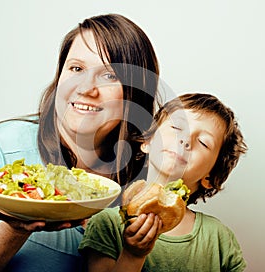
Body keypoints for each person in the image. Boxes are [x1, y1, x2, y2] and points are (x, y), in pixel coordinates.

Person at [0, 14, 161, 271]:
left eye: (109, 76)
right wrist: (17, 225)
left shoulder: (145, 181)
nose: (86, 88)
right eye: (77, 69)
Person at [79, 93, 248, 272]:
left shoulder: (219, 238)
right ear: (147, 141)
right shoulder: (107, 223)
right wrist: (132, 255)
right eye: (176, 127)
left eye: (203, 142)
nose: (185, 140)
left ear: (210, 177)